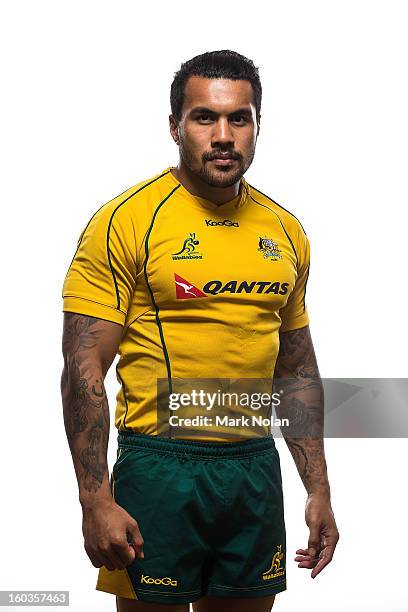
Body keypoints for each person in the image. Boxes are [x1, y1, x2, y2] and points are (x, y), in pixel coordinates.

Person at [61, 50, 339, 612]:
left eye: (239, 118)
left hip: (252, 468)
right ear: (174, 126)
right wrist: (95, 498)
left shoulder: (286, 231)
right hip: (159, 467)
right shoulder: (128, 220)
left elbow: (296, 370)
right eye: (204, 117)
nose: (223, 135)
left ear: (257, 126)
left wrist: (319, 489)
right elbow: (83, 370)